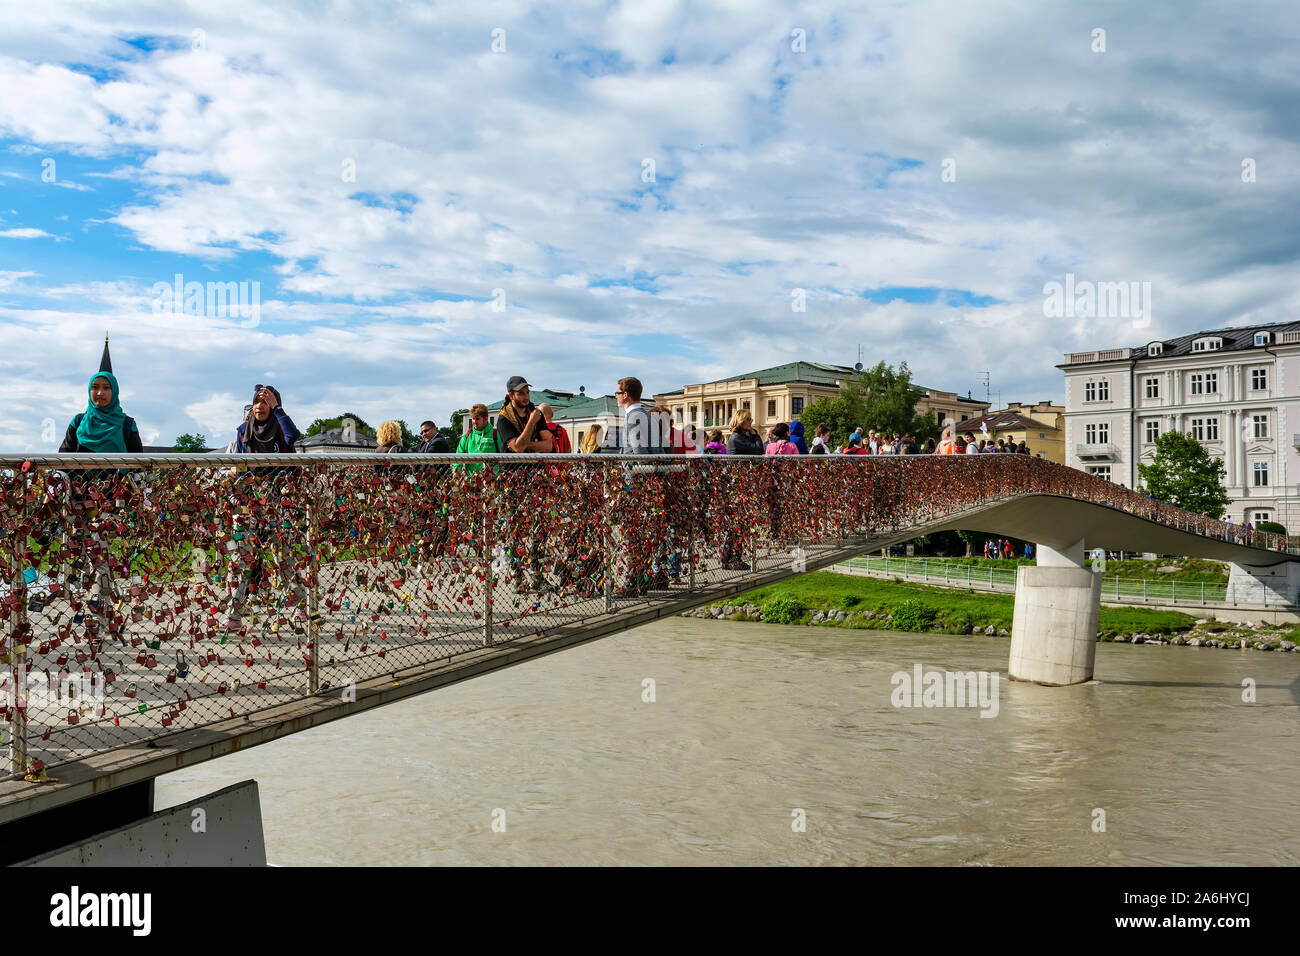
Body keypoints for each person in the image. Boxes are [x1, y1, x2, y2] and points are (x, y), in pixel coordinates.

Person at [60, 370, 144, 453]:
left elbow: (139, 462)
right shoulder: (78, 422)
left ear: (114, 391)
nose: (100, 393)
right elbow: (62, 459)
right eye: (95, 387)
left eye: (106, 388)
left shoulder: (127, 424)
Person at [232, 385, 299, 453]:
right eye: (256, 401)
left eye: (265, 402)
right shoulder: (244, 429)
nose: (259, 406)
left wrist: (276, 408)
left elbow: (292, 436)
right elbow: (239, 459)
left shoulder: (281, 427)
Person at [496, 377, 553, 453]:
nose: (526, 397)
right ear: (511, 396)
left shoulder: (536, 413)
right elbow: (518, 449)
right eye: (521, 393)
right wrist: (532, 422)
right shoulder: (504, 418)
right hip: (513, 464)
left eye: (527, 392)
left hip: (534, 464)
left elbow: (548, 446)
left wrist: (525, 444)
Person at [617, 377, 666, 455]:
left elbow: (640, 453)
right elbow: (659, 449)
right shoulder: (650, 416)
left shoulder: (633, 417)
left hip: (635, 466)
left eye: (618, 393)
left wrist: (642, 466)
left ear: (625, 395)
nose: (616, 396)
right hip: (653, 465)